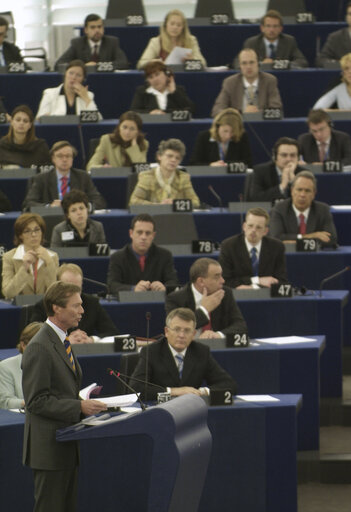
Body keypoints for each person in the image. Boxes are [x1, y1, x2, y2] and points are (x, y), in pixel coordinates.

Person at [22, 281, 107, 512]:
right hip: (49, 449)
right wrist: (79, 406)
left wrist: (81, 399)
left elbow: (59, 389)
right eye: (76, 306)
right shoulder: (40, 346)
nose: (82, 311)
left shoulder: (61, 339)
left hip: (65, 444)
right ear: (57, 308)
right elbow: (36, 401)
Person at [129, 307, 237, 400]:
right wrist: (174, 391)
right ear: (166, 332)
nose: (181, 335)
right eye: (176, 329)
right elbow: (136, 388)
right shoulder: (151, 352)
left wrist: (202, 392)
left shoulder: (201, 352)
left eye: (187, 330)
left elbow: (228, 384)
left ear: (193, 334)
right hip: (160, 410)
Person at [29, 263, 119, 342]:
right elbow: (33, 336)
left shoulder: (92, 303)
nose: (73, 294)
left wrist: (91, 339)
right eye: (68, 289)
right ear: (58, 285)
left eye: (77, 289)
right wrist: (64, 339)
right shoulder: (45, 305)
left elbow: (112, 332)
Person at [165, 258, 247, 339]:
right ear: (201, 281)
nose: (223, 281)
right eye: (217, 277)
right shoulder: (175, 299)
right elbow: (178, 329)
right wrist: (204, 310)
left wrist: (218, 334)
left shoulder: (224, 293)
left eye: (221, 275)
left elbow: (240, 325)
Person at [22, 140, 106, 211]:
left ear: (72, 158)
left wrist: (83, 207)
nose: (64, 159)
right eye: (60, 156)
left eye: (68, 156)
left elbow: (99, 201)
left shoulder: (83, 177)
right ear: (53, 159)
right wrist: (50, 207)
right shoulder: (41, 179)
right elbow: (29, 203)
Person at [107, 213, 178, 295]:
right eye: (139, 232)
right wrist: (133, 289)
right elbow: (112, 285)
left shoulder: (165, 255)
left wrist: (164, 287)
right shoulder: (118, 257)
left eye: (148, 233)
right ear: (131, 233)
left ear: (153, 235)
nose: (143, 237)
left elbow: (173, 282)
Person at [219, 207, 288, 289]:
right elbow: (225, 281)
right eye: (250, 226)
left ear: (265, 231)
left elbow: (281, 280)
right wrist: (257, 280)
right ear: (244, 226)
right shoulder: (228, 246)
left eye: (258, 227)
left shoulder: (277, 247)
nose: (253, 230)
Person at [269, 170, 338, 248]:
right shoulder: (279, 209)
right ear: (292, 191)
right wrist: (310, 236)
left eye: (307, 191)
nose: (302, 195)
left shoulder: (323, 210)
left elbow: (331, 238)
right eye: (299, 190)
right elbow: (276, 238)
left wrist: (291, 240)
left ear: (314, 194)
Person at [2, 213, 59, 299]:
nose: (33, 235)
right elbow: (8, 293)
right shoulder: (9, 257)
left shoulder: (52, 256)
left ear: (42, 232)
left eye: (37, 230)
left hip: (45, 308)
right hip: (20, 309)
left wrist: (49, 263)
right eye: (27, 231)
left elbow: (55, 293)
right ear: (20, 235)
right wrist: (24, 268)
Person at [211, 49, 283, 117]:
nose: (248, 67)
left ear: (258, 63)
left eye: (251, 62)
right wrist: (239, 113)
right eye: (244, 63)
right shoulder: (230, 83)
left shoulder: (269, 81)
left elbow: (276, 110)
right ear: (240, 66)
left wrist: (257, 113)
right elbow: (217, 111)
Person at [129, 138, 200, 206]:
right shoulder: (147, 176)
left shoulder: (183, 177)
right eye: (170, 156)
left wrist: (175, 203)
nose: (173, 160)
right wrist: (158, 206)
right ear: (159, 156)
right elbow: (134, 201)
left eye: (177, 158)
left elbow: (195, 202)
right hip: (151, 216)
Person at [55, 13, 128, 70]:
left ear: (103, 28)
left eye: (99, 27)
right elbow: (59, 64)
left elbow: (123, 63)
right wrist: (83, 66)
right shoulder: (77, 44)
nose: (97, 30)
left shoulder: (112, 42)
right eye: (93, 27)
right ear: (86, 30)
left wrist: (99, 66)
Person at [136, 9, 206, 69]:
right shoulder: (156, 41)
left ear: (183, 28)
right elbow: (141, 64)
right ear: (166, 25)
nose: (175, 27)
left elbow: (203, 63)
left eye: (179, 25)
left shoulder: (191, 40)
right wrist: (153, 62)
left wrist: (193, 60)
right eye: (172, 24)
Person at [237, 9, 307, 68]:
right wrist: (260, 65)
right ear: (262, 28)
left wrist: (280, 64)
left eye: (275, 26)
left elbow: (302, 62)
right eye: (268, 26)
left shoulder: (289, 41)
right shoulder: (251, 43)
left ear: (281, 28)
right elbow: (237, 63)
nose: (271, 30)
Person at [36, 60, 102, 119]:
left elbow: (98, 120)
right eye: (71, 73)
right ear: (65, 74)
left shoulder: (88, 95)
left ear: (83, 80)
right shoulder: (50, 94)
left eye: (78, 75)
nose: (73, 77)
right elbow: (39, 119)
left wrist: (86, 98)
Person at [0, 322, 42, 410]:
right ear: (23, 345)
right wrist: (32, 403)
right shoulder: (6, 367)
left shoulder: (56, 365)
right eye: (38, 345)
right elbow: (5, 402)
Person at [251, 137, 305, 202]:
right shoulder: (261, 171)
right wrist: (282, 186)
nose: (289, 159)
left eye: (293, 155)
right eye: (284, 155)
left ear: (298, 158)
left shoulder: (303, 173)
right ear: (275, 157)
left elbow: (308, 199)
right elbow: (255, 199)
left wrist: (294, 182)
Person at [316, 2, 351, 67]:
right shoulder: (335, 37)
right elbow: (321, 60)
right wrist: (341, 64)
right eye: (350, 14)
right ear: (346, 17)